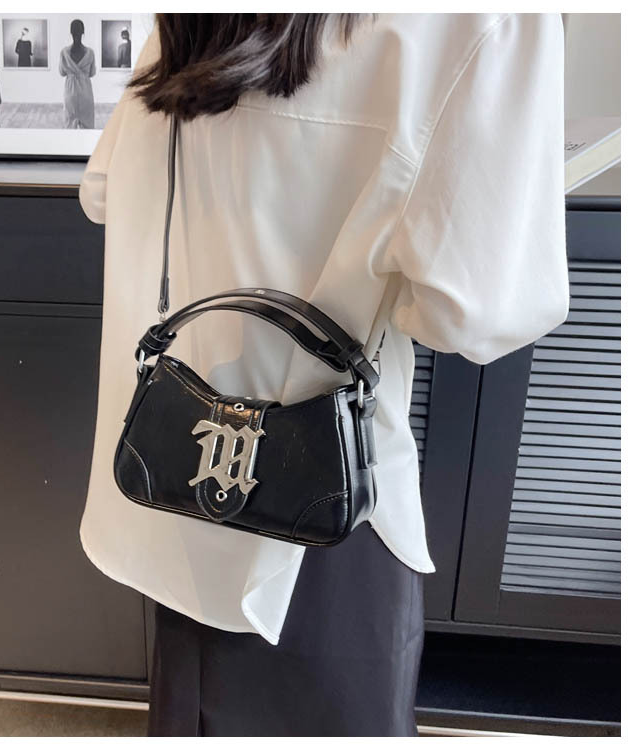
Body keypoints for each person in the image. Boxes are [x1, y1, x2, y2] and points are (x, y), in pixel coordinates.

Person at [78, 13, 569, 736]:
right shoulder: (489, 19)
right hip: (322, 505)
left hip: (172, 469)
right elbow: (479, 314)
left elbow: (104, 192)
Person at [59, 19, 96, 129]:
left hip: (70, 92)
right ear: (83, 32)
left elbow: (62, 72)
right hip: (86, 92)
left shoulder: (64, 52)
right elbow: (92, 73)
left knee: (69, 125)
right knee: (88, 127)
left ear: (71, 32)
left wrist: (72, 72)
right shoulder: (90, 52)